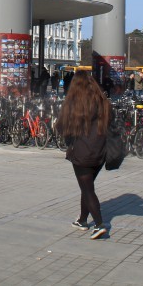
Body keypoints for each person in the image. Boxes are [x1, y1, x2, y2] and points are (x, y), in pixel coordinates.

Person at [58, 71, 111, 239]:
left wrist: (69, 141)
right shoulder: (102, 101)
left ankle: (99, 224)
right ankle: (82, 220)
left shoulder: (74, 103)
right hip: (100, 151)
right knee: (87, 186)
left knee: (87, 188)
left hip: (82, 151)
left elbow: (61, 127)